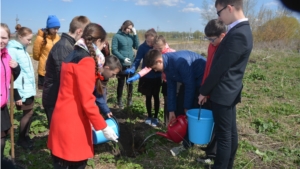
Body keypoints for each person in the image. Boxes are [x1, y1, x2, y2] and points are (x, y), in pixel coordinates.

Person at [47, 23, 118, 169]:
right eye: (103, 42)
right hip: (74, 122)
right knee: (76, 163)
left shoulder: (72, 54)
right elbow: (87, 101)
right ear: (97, 41)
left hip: (61, 117)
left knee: (60, 163)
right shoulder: (86, 61)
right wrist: (103, 127)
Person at [198, 0, 253, 168]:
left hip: (223, 93)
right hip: (229, 92)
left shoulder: (239, 34)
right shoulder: (239, 30)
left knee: (224, 136)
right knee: (230, 132)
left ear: (229, 8)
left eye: (219, 12)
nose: (219, 17)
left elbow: (220, 68)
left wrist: (204, 91)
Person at [144, 49, 206, 156]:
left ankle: (187, 144)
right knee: (178, 108)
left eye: (154, 68)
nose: (155, 71)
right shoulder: (167, 65)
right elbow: (171, 87)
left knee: (192, 111)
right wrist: (171, 110)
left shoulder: (178, 62)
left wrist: (187, 107)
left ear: (159, 61)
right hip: (189, 80)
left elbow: (190, 85)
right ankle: (182, 136)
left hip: (201, 78)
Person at [42, 16, 90, 128]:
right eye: (85, 36)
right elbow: (64, 78)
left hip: (59, 98)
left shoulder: (70, 45)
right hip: (54, 99)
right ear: (79, 31)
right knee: (58, 135)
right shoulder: (63, 47)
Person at [126, 35, 176, 126]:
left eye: (159, 48)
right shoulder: (156, 52)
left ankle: (173, 123)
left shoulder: (172, 53)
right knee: (167, 102)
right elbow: (148, 67)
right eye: (155, 48)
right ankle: (166, 123)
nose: (158, 51)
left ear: (165, 44)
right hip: (165, 81)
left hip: (174, 81)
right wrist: (138, 75)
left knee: (172, 102)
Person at [196, 19, 226, 166]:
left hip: (219, 92)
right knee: (210, 120)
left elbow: (217, 73)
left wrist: (207, 90)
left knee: (217, 125)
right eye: (208, 38)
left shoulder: (224, 48)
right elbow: (208, 68)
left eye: (212, 39)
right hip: (208, 88)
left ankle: (212, 154)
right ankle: (210, 149)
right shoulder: (212, 46)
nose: (210, 41)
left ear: (222, 35)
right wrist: (204, 89)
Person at [7, 25, 36, 150]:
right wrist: (16, 94)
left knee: (29, 113)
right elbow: (12, 75)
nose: (30, 42)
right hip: (21, 90)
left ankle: (25, 136)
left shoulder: (22, 49)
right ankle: (21, 139)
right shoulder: (13, 50)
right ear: (20, 37)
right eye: (28, 39)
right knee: (28, 113)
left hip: (28, 88)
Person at [124, 29, 160, 126]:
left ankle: (156, 117)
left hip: (157, 77)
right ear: (145, 39)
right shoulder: (142, 47)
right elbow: (137, 60)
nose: (150, 43)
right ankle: (149, 116)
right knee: (148, 97)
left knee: (156, 97)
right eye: (148, 41)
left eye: (152, 41)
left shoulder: (157, 47)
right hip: (146, 76)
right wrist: (133, 69)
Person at [1, 23, 20, 159]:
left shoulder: (6, 56)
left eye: (4, 38)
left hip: (2, 105)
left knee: (2, 139)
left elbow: (8, 79)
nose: (1, 41)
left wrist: (16, 68)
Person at [111, 20, 139, 108]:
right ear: (123, 26)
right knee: (121, 82)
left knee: (130, 82)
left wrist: (135, 35)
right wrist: (123, 58)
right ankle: (119, 100)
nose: (128, 30)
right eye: (127, 28)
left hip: (130, 63)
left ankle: (129, 99)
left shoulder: (131, 37)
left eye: (130, 29)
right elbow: (114, 50)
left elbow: (136, 46)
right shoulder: (117, 36)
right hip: (121, 64)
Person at [33, 15, 60, 90]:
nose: (56, 31)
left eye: (58, 28)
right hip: (44, 69)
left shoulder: (57, 37)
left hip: (55, 68)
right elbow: (36, 54)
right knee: (44, 91)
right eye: (54, 28)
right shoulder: (40, 38)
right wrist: (43, 59)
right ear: (49, 27)